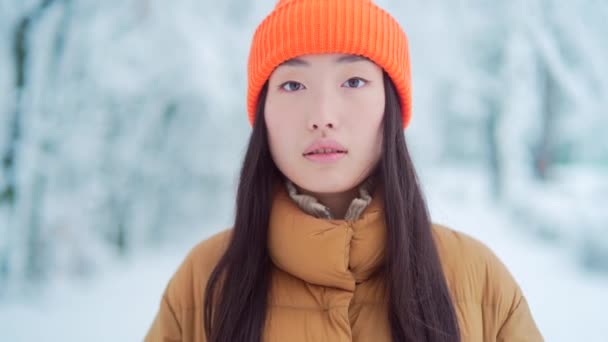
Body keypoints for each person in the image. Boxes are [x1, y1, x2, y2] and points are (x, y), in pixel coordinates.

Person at [145, 0, 543, 341]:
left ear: (391, 106)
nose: (322, 117)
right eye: (292, 86)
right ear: (263, 113)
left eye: (353, 80)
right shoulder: (203, 282)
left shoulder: (478, 278)